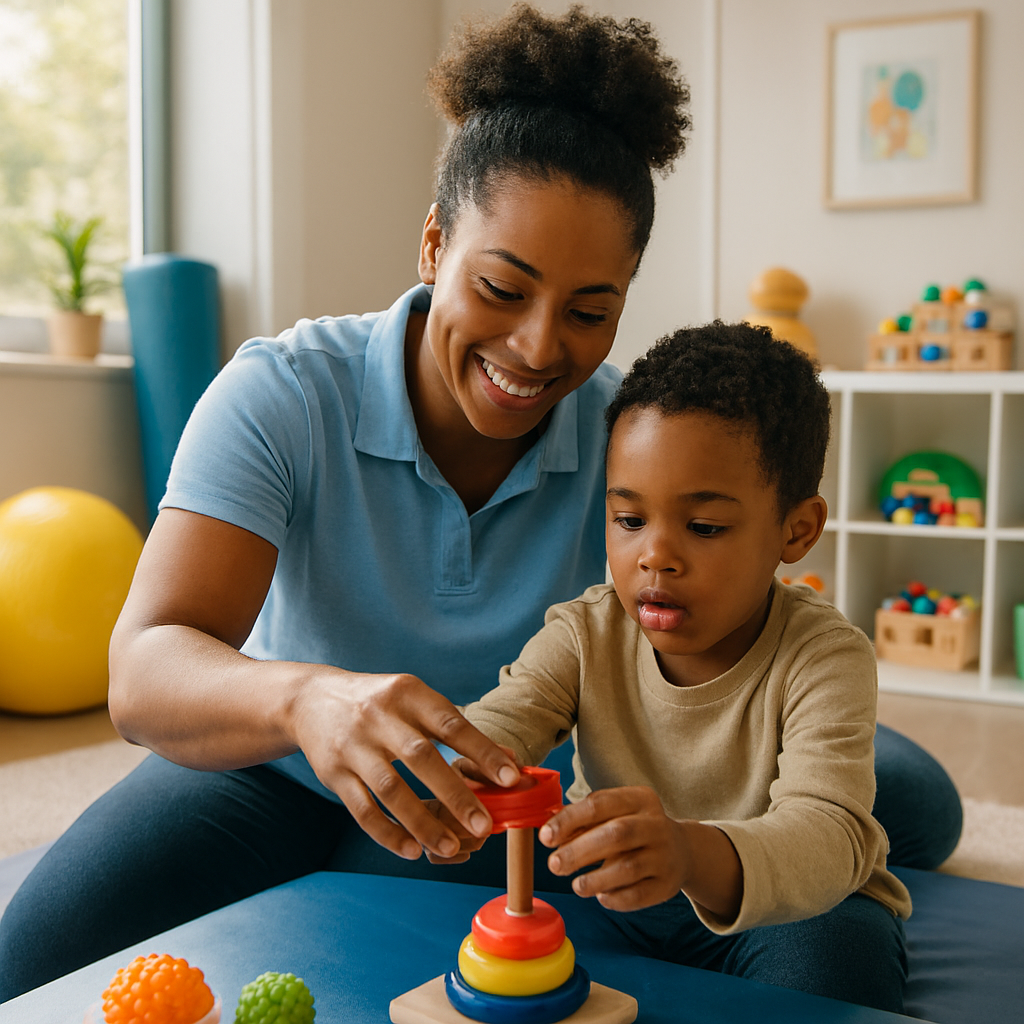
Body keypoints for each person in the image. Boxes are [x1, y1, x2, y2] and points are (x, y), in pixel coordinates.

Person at [0, 3, 957, 1002]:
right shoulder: (284, 391)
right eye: (502, 287)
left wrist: (739, 819)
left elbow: (702, 634)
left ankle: (865, 792)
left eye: (590, 310)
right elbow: (143, 675)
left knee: (899, 799)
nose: (541, 347)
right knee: (28, 963)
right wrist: (306, 696)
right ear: (431, 246)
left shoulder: (628, 441)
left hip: (517, 785)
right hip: (279, 771)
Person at [451, 322, 911, 1012]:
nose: (654, 557)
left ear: (796, 530)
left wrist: (691, 854)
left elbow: (828, 836)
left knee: (845, 949)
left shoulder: (825, 655)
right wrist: (451, 766)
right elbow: (502, 722)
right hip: (610, 896)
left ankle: (907, 791)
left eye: (704, 528)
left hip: (773, 907)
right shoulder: (583, 633)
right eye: (629, 520)